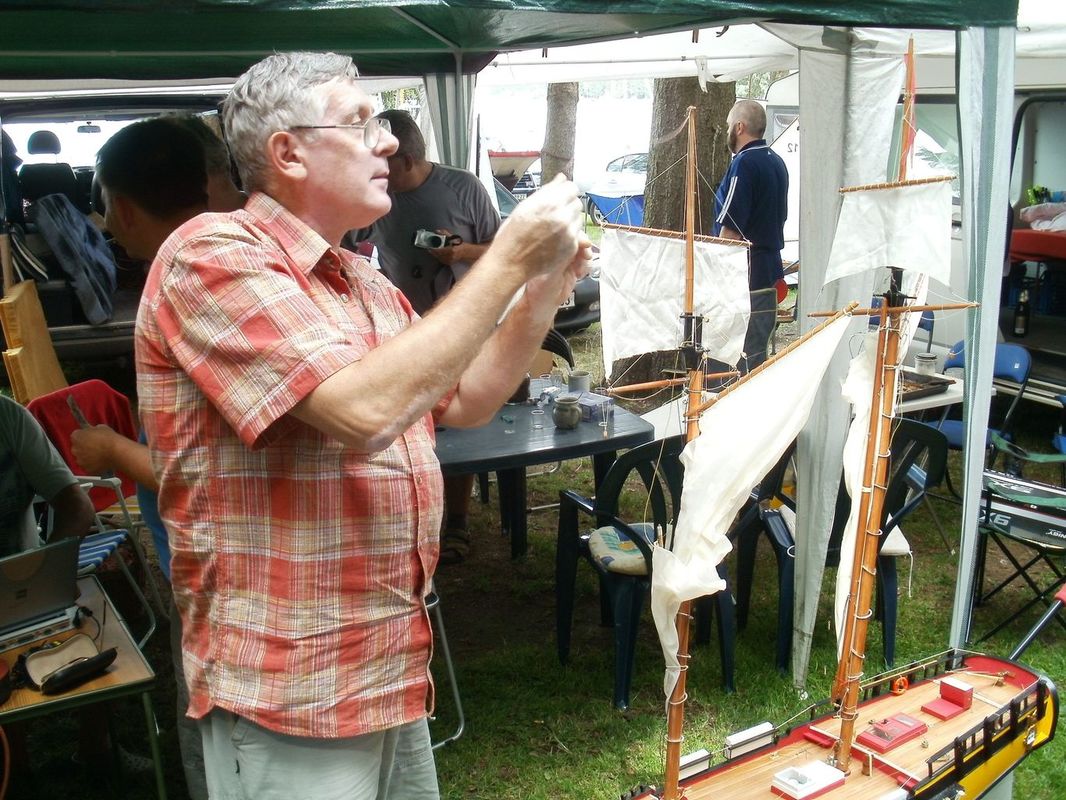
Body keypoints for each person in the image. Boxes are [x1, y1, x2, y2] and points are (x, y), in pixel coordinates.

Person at [135, 51, 587, 800]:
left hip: (383, 663)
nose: (389, 141)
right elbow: (363, 412)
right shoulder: (209, 256)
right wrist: (506, 259)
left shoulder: (363, 282)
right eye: (359, 121)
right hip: (289, 684)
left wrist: (542, 287)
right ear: (288, 153)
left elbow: (467, 399)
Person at [75, 114, 246, 800]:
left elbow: (211, 474)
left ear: (120, 206)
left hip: (218, 565)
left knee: (214, 725)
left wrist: (113, 449)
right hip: (218, 559)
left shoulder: (190, 279)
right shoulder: (224, 267)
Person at [350, 109, 502, 565]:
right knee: (414, 425)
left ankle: (456, 520)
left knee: (459, 425)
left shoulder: (463, 188)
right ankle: (414, 519)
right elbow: (341, 243)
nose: (374, 168)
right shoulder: (374, 193)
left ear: (407, 159)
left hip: (464, 327)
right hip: (404, 333)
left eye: (384, 161)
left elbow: (501, 251)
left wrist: (461, 251)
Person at [0, 395, 149, 783]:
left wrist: (53, 569)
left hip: (28, 580)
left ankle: (96, 749)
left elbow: (76, 506)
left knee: (97, 617)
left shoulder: (8, 418)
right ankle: (15, 768)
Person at [711, 99, 789, 372]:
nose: (727, 130)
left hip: (745, 275)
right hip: (769, 271)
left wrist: (716, 274)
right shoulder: (776, 161)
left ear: (739, 127)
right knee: (756, 353)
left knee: (736, 357)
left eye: (729, 125)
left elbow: (731, 228)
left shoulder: (744, 163)